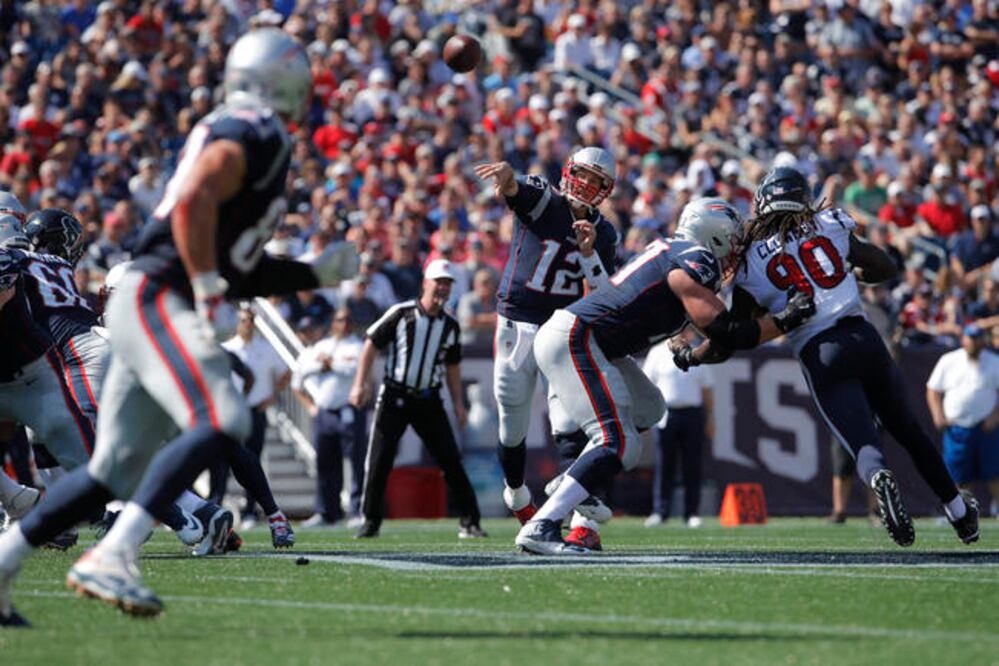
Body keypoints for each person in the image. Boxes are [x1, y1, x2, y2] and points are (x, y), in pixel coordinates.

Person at [0, 29, 357, 623]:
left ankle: (6, 563)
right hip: (159, 295)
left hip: (142, 294)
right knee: (224, 416)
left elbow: (235, 258)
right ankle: (115, 553)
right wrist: (209, 284)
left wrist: (309, 273)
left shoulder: (237, 129)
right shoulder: (256, 129)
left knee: (110, 468)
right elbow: (193, 205)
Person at [689, 167, 979, 548]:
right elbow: (886, 266)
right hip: (863, 334)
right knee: (909, 430)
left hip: (820, 350)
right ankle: (960, 514)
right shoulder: (829, 223)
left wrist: (692, 355)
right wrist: (846, 271)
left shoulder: (749, 265)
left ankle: (877, 478)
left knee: (862, 442)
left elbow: (730, 340)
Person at [516, 198, 816, 554]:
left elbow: (721, 341)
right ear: (714, 234)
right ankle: (542, 526)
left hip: (588, 342)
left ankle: (571, 481)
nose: (736, 250)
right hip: (576, 338)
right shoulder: (695, 258)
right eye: (733, 240)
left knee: (649, 408)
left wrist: (691, 355)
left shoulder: (674, 251)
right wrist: (783, 319)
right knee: (620, 442)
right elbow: (727, 331)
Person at [474, 148, 619, 550]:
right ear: (568, 172)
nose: (587, 186)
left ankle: (573, 521)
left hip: (563, 327)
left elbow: (604, 292)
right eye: (583, 176)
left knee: (572, 421)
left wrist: (589, 253)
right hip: (517, 321)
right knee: (512, 418)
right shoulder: (544, 198)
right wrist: (506, 177)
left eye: (597, 182)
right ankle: (518, 493)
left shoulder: (604, 233)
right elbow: (516, 189)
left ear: (606, 191)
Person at [349, 259, 485, 540]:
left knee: (450, 460)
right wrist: (360, 383)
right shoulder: (401, 314)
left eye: (447, 284)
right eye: (439, 282)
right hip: (395, 396)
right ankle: (370, 521)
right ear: (425, 282)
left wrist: (458, 403)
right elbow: (371, 344)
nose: (442, 289)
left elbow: (453, 367)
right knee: (379, 460)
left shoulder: (450, 325)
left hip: (428, 399)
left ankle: (470, 520)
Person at [216, 307, 290, 526]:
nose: (246, 324)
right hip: (230, 412)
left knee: (252, 461)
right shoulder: (227, 348)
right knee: (222, 462)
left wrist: (272, 397)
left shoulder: (265, 348)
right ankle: (215, 507)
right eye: (243, 320)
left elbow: (285, 373)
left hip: (254, 411)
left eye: (250, 320)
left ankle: (250, 510)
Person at [292, 306, 366, 528]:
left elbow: (354, 369)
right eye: (338, 320)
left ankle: (356, 511)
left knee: (355, 462)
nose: (342, 324)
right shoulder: (321, 346)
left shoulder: (358, 345)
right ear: (332, 322)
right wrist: (321, 366)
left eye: (346, 320)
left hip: (349, 410)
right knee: (325, 463)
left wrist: (331, 363)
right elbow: (302, 374)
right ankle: (326, 511)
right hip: (325, 412)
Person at [642, 329, 714, 528]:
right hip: (666, 415)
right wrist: (645, 418)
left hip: (692, 413)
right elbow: (647, 387)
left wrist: (710, 418)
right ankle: (660, 511)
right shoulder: (657, 353)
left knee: (693, 465)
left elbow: (707, 389)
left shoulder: (699, 350)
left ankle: (691, 512)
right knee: (665, 464)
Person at [926, 325, 999, 511]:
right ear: (963, 340)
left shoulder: (994, 361)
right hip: (957, 427)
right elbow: (933, 389)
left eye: (977, 338)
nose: (974, 342)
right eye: (970, 338)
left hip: (985, 426)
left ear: (983, 340)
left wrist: (995, 416)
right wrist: (938, 416)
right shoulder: (949, 360)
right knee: (957, 475)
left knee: (994, 473)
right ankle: (961, 512)